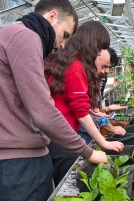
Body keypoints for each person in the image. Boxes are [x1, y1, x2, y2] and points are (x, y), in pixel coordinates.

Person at [0, 0, 108, 201]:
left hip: (5, 168)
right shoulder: (25, 37)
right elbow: (44, 111)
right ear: (52, 16)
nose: (62, 44)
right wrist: (88, 152)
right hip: (19, 169)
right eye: (64, 34)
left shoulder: (3, 38)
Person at [44, 21, 124, 186]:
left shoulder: (65, 60)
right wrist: (103, 143)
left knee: (63, 184)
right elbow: (80, 113)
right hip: (63, 138)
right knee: (71, 188)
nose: (100, 52)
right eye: (100, 47)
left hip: (54, 136)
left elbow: (69, 101)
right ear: (91, 44)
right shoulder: (76, 66)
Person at [77, 48, 128, 144]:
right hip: (79, 132)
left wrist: (107, 108)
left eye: (110, 67)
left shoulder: (100, 77)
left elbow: (92, 108)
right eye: (104, 66)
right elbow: (82, 111)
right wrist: (111, 128)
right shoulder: (81, 77)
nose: (106, 71)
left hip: (88, 130)